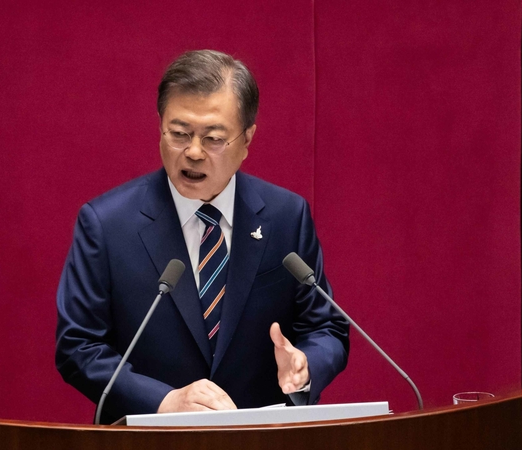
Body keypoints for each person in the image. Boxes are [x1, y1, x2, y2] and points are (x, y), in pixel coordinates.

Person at [55, 49, 349, 424]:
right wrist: (164, 402)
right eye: (178, 134)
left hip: (261, 439)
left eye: (212, 138)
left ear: (247, 140)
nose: (192, 152)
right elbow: (78, 346)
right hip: (148, 442)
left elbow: (326, 327)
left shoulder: (286, 217)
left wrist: (306, 366)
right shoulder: (106, 224)